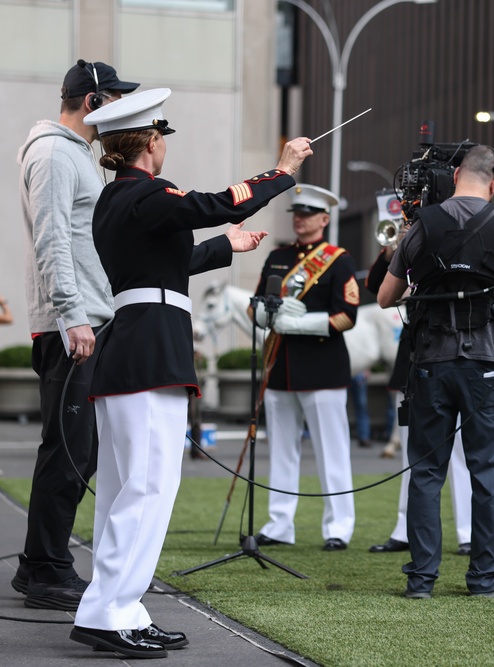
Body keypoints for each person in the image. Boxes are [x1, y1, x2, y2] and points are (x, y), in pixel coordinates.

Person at [69, 88, 311, 657]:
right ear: (152, 141)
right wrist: (282, 172)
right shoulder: (147, 193)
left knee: (124, 491)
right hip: (150, 352)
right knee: (149, 487)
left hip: (132, 348)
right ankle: (108, 611)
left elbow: (169, 261)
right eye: (162, 137)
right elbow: (215, 202)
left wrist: (223, 248)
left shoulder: (120, 200)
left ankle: (121, 606)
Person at [377, 145, 494, 598]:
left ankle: (421, 580)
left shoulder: (420, 227)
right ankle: (484, 580)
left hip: (431, 363)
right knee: (487, 474)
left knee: (427, 472)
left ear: (455, 176)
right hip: (486, 365)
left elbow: (384, 297)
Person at [13, 59, 139, 611]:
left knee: (76, 451)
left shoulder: (74, 153)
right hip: (73, 325)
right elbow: (51, 238)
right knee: (67, 451)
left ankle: (46, 563)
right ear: (92, 101)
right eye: (113, 98)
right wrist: (72, 315)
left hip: (81, 320)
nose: (119, 108)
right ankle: (43, 569)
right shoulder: (55, 153)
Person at [252, 184, 359, 551]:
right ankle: (280, 523)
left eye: (309, 213)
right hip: (281, 366)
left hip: (323, 368)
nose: (300, 219)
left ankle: (338, 527)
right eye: (297, 213)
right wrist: (268, 314)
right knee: (281, 450)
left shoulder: (338, 259)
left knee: (332, 452)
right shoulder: (278, 257)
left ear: (325, 219)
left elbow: (347, 316)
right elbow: (256, 307)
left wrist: (301, 322)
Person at [365, 222, 474, 557]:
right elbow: (376, 288)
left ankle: (467, 530)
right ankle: (405, 528)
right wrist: (391, 251)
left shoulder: (451, 229)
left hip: (455, 344)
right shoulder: (412, 238)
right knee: (412, 452)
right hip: (415, 348)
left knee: (457, 452)